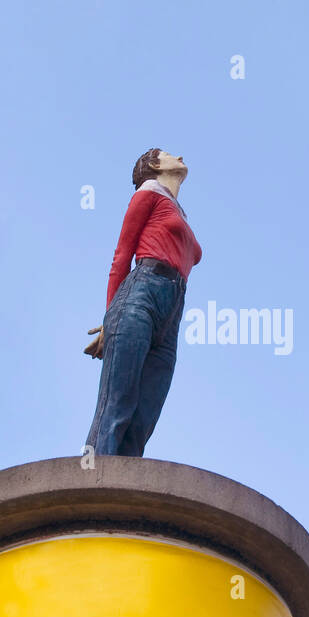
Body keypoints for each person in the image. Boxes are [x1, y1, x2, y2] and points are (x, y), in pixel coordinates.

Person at [83, 148, 202, 456]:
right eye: (168, 153)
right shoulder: (147, 194)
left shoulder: (177, 211)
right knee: (116, 404)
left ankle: (123, 499)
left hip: (172, 311)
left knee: (144, 416)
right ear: (153, 165)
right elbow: (121, 256)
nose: (179, 155)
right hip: (141, 294)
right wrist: (111, 317)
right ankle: (92, 486)